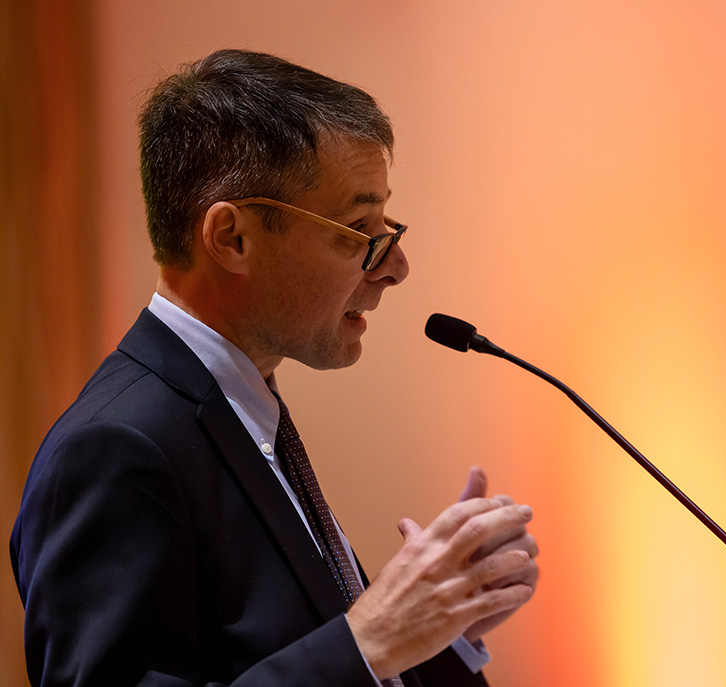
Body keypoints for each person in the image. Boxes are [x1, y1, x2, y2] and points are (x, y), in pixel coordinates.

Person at [10, 49, 538, 687]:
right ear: (233, 239)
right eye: (359, 229)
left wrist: (440, 633)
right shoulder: (113, 450)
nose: (395, 267)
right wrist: (369, 641)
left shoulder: (242, 408)